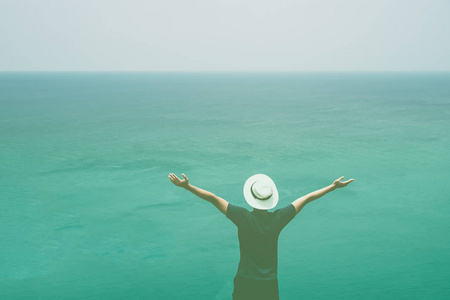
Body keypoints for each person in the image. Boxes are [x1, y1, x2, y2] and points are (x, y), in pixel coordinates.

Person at [168, 173, 354, 299]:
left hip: (245, 281)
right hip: (269, 284)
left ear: (251, 196)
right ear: (270, 199)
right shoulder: (279, 218)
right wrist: (332, 187)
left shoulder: (242, 217)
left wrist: (187, 186)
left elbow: (213, 198)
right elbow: (306, 198)